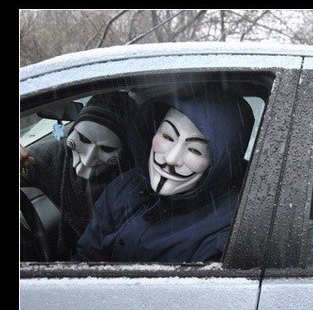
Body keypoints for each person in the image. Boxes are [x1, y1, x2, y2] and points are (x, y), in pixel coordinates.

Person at [75, 88, 254, 263]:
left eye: (195, 150)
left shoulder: (230, 227)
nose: (171, 158)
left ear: (221, 162)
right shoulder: (125, 185)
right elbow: (86, 258)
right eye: (168, 137)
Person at [20, 91, 137, 259]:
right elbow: (27, 167)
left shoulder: (131, 181)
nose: (88, 159)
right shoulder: (56, 156)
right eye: (83, 139)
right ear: (73, 130)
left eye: (107, 148)